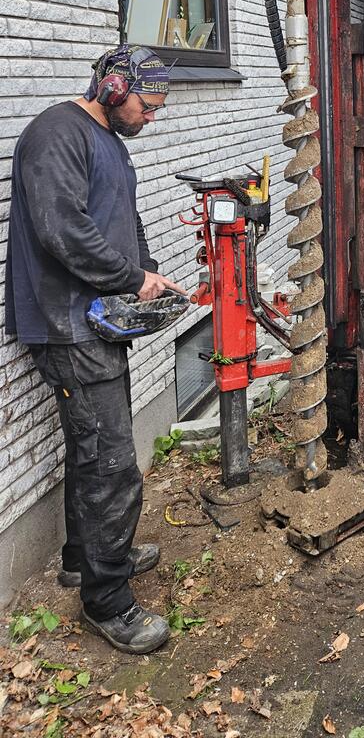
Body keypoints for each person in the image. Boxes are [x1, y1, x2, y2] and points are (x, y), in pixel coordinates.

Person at [5, 44, 185, 654]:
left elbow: (119, 221)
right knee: (112, 465)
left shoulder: (109, 140)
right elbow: (62, 228)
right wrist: (132, 279)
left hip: (97, 323)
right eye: (148, 105)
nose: (151, 117)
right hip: (67, 327)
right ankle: (107, 602)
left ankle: (85, 560)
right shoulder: (57, 134)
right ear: (113, 89)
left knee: (92, 451)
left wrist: (149, 273)